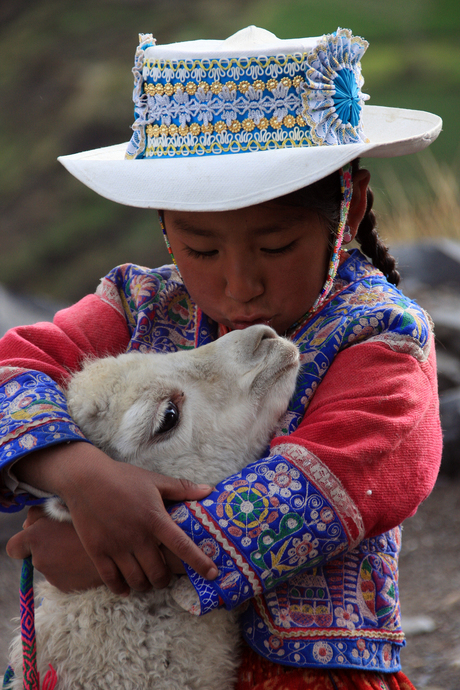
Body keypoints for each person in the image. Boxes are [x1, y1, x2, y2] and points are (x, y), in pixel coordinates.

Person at [0, 25, 442, 690]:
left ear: (349, 215)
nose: (241, 286)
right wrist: (78, 474)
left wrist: (106, 549)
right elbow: (15, 368)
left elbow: (319, 492)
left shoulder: (382, 343)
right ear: (164, 226)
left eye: (275, 247)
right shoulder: (136, 303)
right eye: (202, 251)